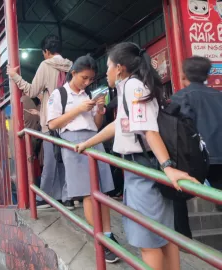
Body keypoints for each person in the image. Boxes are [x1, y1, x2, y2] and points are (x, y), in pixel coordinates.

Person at [75, 42, 199, 270]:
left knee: (148, 242)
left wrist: (168, 166)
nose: (107, 72)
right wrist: (87, 143)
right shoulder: (128, 88)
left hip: (145, 171)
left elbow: (149, 130)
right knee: (163, 236)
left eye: (109, 66)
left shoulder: (133, 87)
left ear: (120, 68)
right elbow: (118, 126)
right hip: (140, 171)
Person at [46, 55, 118, 263]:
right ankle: (100, 239)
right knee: (88, 193)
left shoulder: (89, 94)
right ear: (73, 73)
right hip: (73, 142)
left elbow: (96, 124)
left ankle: (108, 234)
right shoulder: (59, 94)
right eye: (84, 78)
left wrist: (100, 109)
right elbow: (52, 124)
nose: (87, 83)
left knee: (103, 190)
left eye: (90, 80)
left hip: (93, 139)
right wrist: (79, 109)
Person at [7, 34, 74, 209]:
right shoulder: (71, 66)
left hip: (52, 121)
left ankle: (45, 196)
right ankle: (67, 197)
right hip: (70, 120)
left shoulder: (46, 65)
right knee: (66, 159)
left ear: (46, 51)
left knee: (51, 161)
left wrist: (14, 76)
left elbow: (31, 90)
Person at [171, 56, 222, 215]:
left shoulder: (179, 98)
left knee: (178, 201)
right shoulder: (219, 96)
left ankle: (182, 238)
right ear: (207, 75)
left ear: (183, 74)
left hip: (194, 161)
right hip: (219, 159)